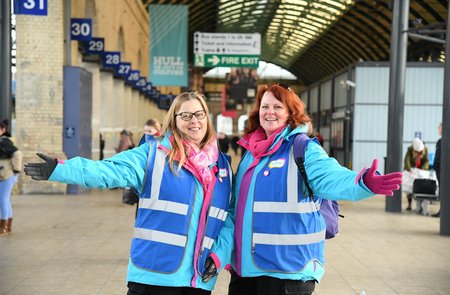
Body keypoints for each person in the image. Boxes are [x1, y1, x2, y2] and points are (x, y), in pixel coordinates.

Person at [24, 92, 234, 294]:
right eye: (185, 115)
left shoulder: (221, 166)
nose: (194, 121)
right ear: (174, 120)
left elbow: (229, 217)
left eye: (199, 114)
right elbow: (107, 171)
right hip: (154, 276)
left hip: (198, 281)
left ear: (207, 117)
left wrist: (218, 257)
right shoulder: (153, 154)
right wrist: (61, 169)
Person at [228, 83, 403, 295]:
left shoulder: (302, 148)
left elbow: (330, 176)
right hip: (246, 272)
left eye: (277, 107)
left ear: (291, 113)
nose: (270, 112)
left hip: (287, 272)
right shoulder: (250, 154)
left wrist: (361, 181)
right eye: (265, 107)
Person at [0, 120, 22, 235]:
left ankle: (3, 227)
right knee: (5, 200)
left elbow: (17, 153)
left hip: (6, 176)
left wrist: (16, 171)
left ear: (3, 130)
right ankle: (7, 226)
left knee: (2, 200)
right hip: (5, 175)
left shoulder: (4, 142)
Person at [403, 137, 430, 210]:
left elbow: (427, 161)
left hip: (421, 170)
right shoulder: (410, 149)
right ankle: (409, 204)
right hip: (411, 169)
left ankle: (420, 205)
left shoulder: (425, 149)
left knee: (421, 187)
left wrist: (423, 168)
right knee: (409, 187)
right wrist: (409, 169)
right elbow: (406, 160)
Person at [432, 123, 442, 217]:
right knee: (441, 191)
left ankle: (442, 211)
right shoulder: (440, 141)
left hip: (442, 170)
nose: (438, 129)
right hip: (439, 170)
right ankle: (442, 210)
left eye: (439, 127)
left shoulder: (442, 141)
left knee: (443, 191)